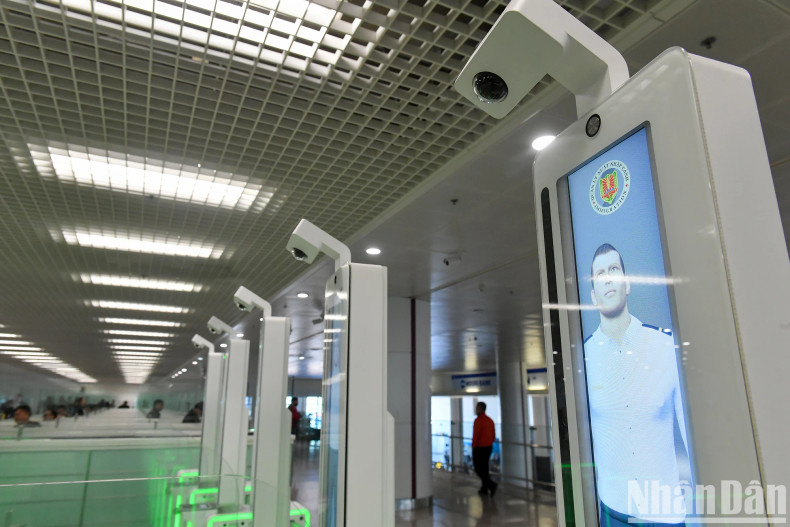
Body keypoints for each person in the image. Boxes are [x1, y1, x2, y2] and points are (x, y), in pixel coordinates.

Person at [585, 243, 688, 525]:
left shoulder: (664, 346)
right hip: (611, 511)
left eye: (614, 269)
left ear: (627, 284)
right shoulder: (585, 357)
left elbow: (693, 439)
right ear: (593, 296)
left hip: (664, 513)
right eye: (600, 274)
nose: (608, 278)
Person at [472, 401, 498, 497]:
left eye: (477, 408)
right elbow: (493, 434)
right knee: (485, 468)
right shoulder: (490, 420)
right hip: (488, 447)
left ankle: (491, 485)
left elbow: (476, 435)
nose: (475, 409)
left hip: (480, 447)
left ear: (480, 409)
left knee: (478, 468)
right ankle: (484, 488)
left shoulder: (478, 421)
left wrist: (474, 447)